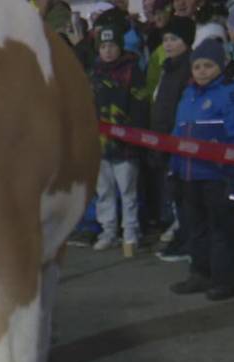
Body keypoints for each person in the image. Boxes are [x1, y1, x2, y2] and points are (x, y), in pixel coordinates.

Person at [169, 38, 234, 301]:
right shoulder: (188, 93)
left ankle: (225, 280)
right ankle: (200, 273)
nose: (201, 71)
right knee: (196, 227)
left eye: (208, 66)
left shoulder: (230, 93)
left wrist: (232, 172)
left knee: (222, 229)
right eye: (197, 66)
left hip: (218, 176)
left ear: (221, 66)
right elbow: (177, 133)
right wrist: (174, 168)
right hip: (189, 175)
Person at [90, 24, 149, 256]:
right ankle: (108, 230)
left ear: (120, 47)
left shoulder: (132, 71)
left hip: (125, 145)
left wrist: (133, 134)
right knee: (103, 191)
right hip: (100, 145)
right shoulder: (93, 73)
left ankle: (131, 233)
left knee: (127, 191)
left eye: (112, 45)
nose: (107, 51)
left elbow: (140, 105)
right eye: (103, 46)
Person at [152, 16, 196, 263]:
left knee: (186, 196)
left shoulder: (188, 67)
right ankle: (183, 234)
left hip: (179, 141)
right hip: (164, 140)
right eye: (165, 39)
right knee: (176, 194)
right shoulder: (168, 67)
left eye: (174, 39)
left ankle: (190, 240)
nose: (168, 44)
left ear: (186, 41)